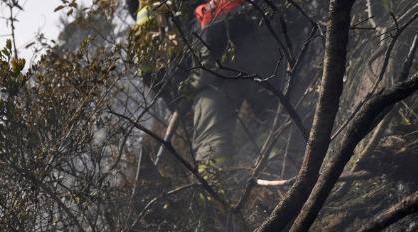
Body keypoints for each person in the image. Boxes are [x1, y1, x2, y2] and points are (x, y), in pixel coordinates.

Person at [130, 0, 315, 190]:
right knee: (277, 113)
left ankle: (220, 200)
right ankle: (290, 180)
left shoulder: (148, 8)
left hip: (211, 52)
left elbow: (148, 59)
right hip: (258, 28)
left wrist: (177, 99)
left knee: (213, 148)